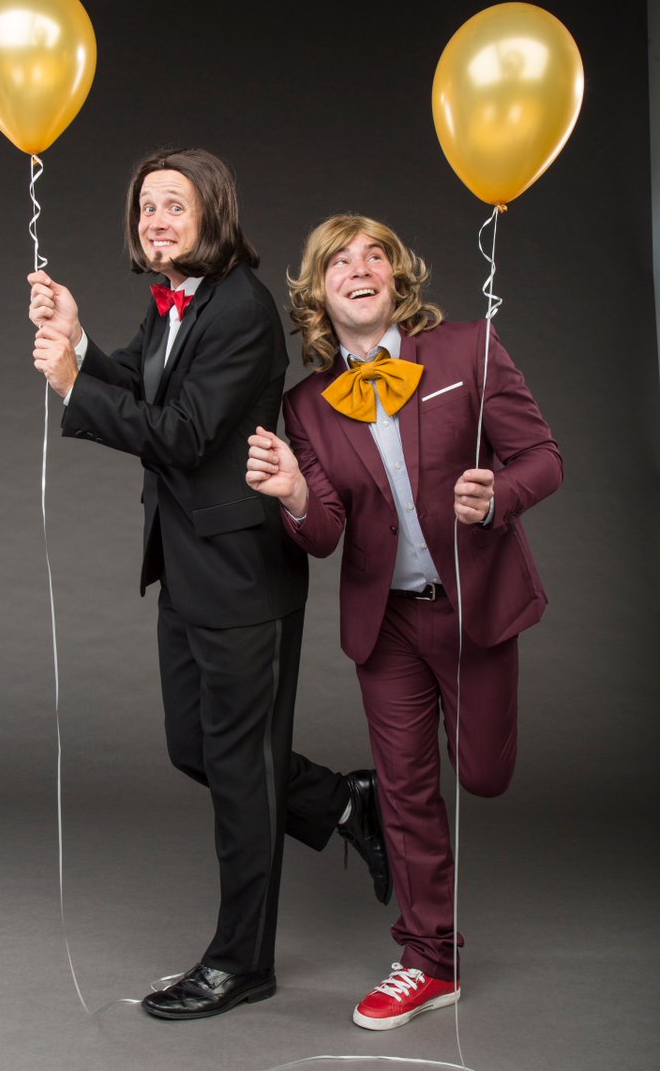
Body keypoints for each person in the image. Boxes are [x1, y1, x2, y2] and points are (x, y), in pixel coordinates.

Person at [28, 150, 391, 1021]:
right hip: (187, 566)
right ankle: (345, 802)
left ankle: (241, 963)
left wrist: (73, 386)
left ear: (211, 215)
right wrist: (79, 343)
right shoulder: (175, 301)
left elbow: (184, 434)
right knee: (196, 748)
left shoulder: (239, 309)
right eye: (145, 206)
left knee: (238, 771)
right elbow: (139, 380)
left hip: (241, 577)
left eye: (172, 205)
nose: (154, 220)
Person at [246, 214, 563, 1030]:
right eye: (339, 261)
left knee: (482, 775)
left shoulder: (466, 350)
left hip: (475, 610)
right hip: (385, 625)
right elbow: (323, 533)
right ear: (319, 292)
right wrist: (292, 492)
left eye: (374, 255)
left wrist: (496, 497)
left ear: (396, 277)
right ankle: (429, 960)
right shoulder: (306, 406)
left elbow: (542, 459)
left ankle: (411, 858)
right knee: (408, 789)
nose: (359, 268)